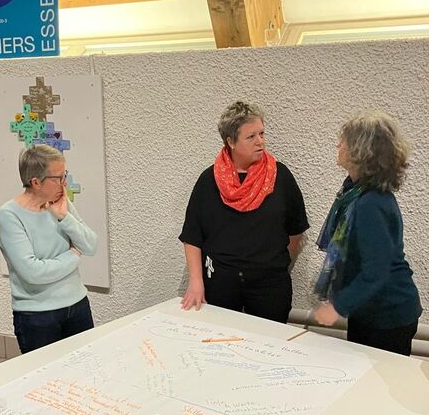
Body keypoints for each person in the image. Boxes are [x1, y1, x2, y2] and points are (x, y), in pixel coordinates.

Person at [179, 100, 309, 323]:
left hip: (269, 286)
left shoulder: (280, 177)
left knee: (270, 341)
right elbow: (192, 236)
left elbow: (296, 231)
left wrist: (274, 264)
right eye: (251, 137)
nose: (260, 141)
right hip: (220, 284)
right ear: (231, 141)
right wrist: (196, 282)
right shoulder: (209, 181)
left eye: (262, 133)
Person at [313, 110, 421, 355]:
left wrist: (337, 307)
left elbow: (376, 271)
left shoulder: (370, 203)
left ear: (361, 151)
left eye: (344, 141)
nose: (338, 145)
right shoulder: (354, 193)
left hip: (387, 315)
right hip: (369, 310)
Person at [0, 144, 98, 353]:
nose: (64, 183)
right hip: (38, 315)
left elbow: (90, 245)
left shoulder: (60, 204)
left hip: (77, 304)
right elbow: (33, 272)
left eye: (65, 175)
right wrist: (73, 255)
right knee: (45, 372)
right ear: (36, 182)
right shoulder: (9, 215)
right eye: (58, 178)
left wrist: (64, 217)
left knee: (86, 367)